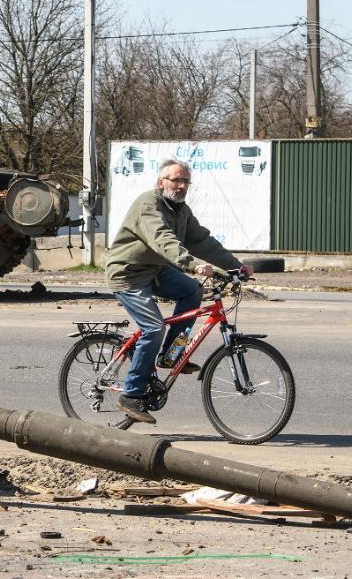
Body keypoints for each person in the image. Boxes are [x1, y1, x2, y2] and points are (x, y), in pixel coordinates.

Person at [105, 158, 251, 424]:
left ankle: (171, 356)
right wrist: (192, 265)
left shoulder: (181, 210)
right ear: (162, 182)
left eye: (186, 181)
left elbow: (202, 241)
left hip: (156, 270)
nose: (182, 185)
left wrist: (236, 266)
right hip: (128, 273)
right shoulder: (148, 204)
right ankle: (131, 394)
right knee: (153, 328)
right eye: (176, 180)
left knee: (192, 292)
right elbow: (163, 239)